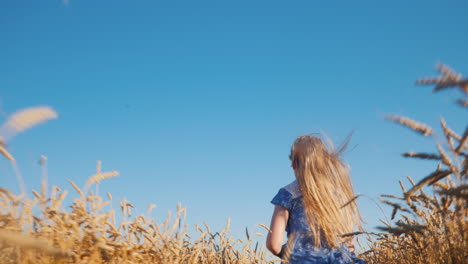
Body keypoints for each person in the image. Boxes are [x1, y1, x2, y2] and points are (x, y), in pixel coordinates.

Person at [266, 135, 366, 264]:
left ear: (294, 164)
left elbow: (273, 244)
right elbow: (350, 246)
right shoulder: (340, 194)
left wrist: (292, 254)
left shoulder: (288, 193)